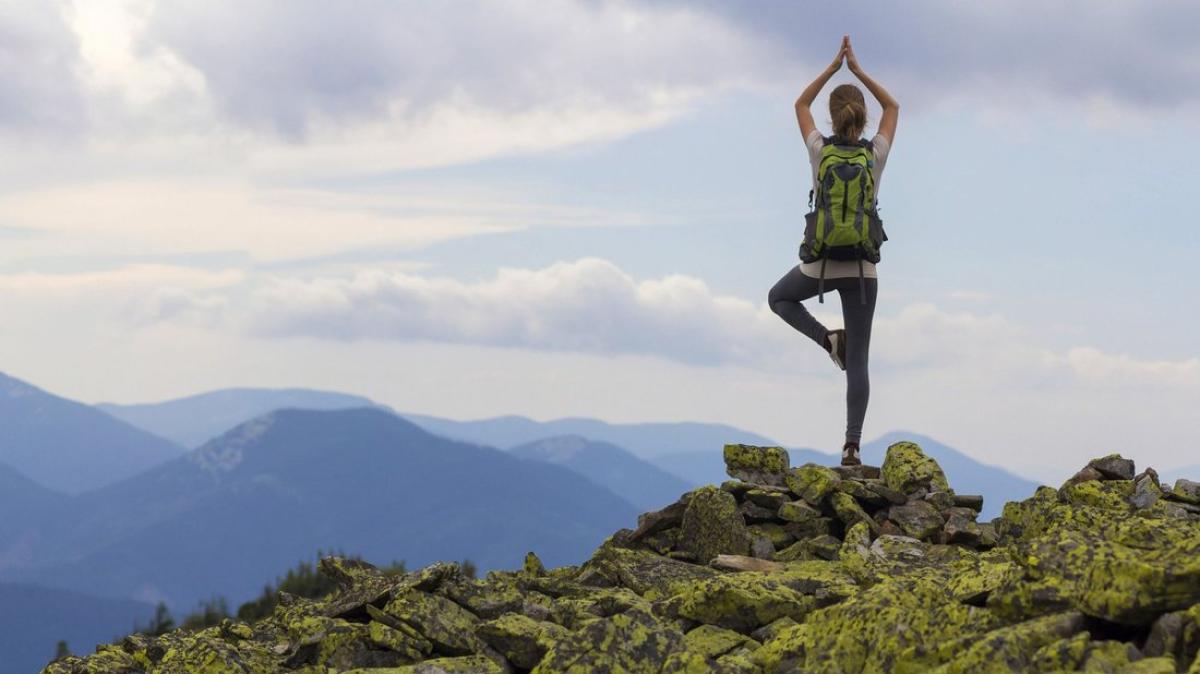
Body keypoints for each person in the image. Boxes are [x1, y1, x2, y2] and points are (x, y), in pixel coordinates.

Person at [768, 35, 899, 467]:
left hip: (820, 265)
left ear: (832, 114)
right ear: (863, 119)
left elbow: (799, 105)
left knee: (778, 298)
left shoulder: (819, 150)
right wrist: (858, 69)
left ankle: (827, 340)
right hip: (863, 270)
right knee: (859, 363)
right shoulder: (874, 153)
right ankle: (852, 447)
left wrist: (832, 67)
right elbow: (894, 107)